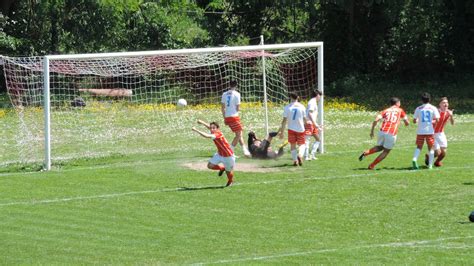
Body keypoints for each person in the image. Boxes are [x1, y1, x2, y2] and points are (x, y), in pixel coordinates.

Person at [359, 97, 409, 170]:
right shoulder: (400, 110)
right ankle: (372, 165)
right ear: (397, 103)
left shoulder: (385, 110)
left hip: (382, 131)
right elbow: (407, 123)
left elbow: (376, 120)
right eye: (400, 102)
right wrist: (406, 122)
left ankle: (366, 153)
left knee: (380, 147)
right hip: (391, 133)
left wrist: (372, 131)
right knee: (386, 151)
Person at [192, 120, 235, 187]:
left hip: (228, 156)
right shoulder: (214, 131)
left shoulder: (218, 134)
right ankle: (221, 168)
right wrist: (202, 122)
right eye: (211, 128)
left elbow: (206, 136)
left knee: (228, 172)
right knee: (210, 166)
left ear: (217, 129)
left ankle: (230, 181)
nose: (212, 129)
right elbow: (210, 127)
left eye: (213, 128)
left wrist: (196, 130)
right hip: (220, 154)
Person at [221, 80, 251, 157]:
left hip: (227, 116)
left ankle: (245, 151)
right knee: (239, 135)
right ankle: (229, 151)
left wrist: (224, 118)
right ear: (236, 86)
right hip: (234, 116)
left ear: (229, 85)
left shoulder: (224, 94)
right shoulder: (237, 94)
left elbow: (223, 108)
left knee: (239, 134)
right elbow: (237, 108)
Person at [277, 92, 307, 166]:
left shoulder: (287, 107)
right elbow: (305, 119)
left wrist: (282, 132)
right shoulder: (302, 107)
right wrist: (306, 126)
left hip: (291, 129)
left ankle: (295, 161)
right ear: (298, 97)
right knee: (302, 144)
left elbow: (284, 121)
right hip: (300, 129)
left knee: (292, 145)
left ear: (290, 98)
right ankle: (300, 155)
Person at [412, 92, 440, 169]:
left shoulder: (418, 108)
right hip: (429, 131)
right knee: (430, 148)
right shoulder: (433, 108)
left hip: (420, 131)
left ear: (421, 100)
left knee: (419, 147)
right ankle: (430, 165)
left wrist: (418, 120)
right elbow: (437, 119)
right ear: (429, 99)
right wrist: (431, 121)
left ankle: (414, 159)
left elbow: (414, 120)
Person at [424, 97, 454, 167]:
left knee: (444, 153)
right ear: (440, 104)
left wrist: (451, 116)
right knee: (438, 152)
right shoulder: (436, 111)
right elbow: (428, 120)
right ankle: (429, 157)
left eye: (447, 102)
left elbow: (452, 123)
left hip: (441, 133)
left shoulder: (448, 112)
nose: (445, 104)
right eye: (443, 103)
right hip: (433, 133)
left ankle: (437, 162)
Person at [304, 89, 323, 161]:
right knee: (307, 140)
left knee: (318, 139)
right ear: (317, 95)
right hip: (309, 123)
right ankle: (306, 156)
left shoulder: (314, 102)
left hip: (313, 124)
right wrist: (315, 123)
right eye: (320, 96)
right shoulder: (312, 102)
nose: (320, 98)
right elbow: (310, 113)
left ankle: (312, 155)